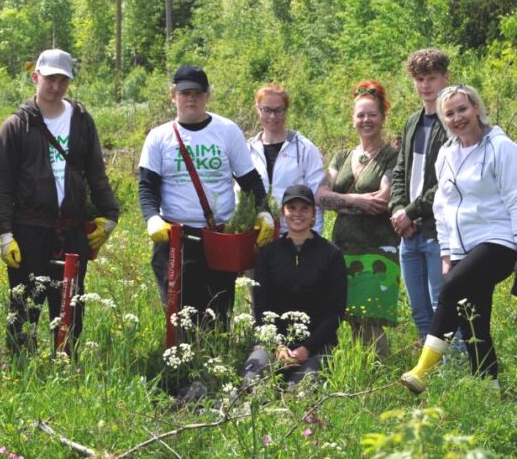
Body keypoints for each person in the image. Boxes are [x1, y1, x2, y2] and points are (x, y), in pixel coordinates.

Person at [0, 49, 119, 351]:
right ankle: (21, 371)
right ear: (35, 77)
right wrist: (5, 234)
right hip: (28, 228)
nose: (56, 86)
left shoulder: (82, 120)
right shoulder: (16, 126)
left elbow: (96, 173)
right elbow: (2, 185)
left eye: (63, 80)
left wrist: (111, 215)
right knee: (25, 307)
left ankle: (66, 368)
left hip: (73, 229)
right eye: (50, 78)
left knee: (70, 305)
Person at [401, 84, 517, 394]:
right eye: (449, 113)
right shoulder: (447, 154)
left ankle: (422, 369)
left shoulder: (501, 147)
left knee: (450, 290)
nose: (457, 118)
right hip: (462, 249)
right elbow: (443, 206)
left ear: (477, 108)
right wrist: (447, 253)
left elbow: (515, 199)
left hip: (499, 243)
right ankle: (490, 388)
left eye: (462, 109)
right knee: (472, 319)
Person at [139, 66, 272, 325]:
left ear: (208, 96)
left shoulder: (227, 130)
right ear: (172, 95)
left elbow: (250, 181)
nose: (191, 99)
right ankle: (181, 365)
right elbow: (147, 187)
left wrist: (264, 211)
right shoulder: (159, 137)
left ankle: (217, 359)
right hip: (175, 238)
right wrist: (152, 218)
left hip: (219, 238)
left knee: (218, 314)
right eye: (185, 92)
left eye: (198, 93)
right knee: (178, 318)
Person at [317, 80, 399, 357]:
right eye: (360, 114)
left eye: (372, 114)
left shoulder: (391, 156)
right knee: (351, 318)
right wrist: (357, 201)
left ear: (383, 116)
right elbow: (321, 196)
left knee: (372, 321)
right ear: (353, 119)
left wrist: (340, 203)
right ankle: (362, 377)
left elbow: (382, 200)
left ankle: (383, 378)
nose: (366, 120)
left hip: (377, 249)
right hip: (342, 247)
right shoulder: (342, 156)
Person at [241, 185, 346, 388]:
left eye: (304, 208)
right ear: (283, 213)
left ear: (314, 214)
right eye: (292, 208)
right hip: (274, 343)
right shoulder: (268, 254)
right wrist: (277, 345)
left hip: (316, 344)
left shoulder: (331, 255)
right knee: (251, 385)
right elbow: (261, 308)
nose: (297, 214)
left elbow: (336, 312)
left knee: (300, 393)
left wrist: (306, 348)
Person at [389, 49, 450, 342]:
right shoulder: (413, 121)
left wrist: (410, 212)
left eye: (432, 78)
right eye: (419, 79)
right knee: (420, 311)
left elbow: (447, 182)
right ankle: (430, 371)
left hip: (437, 230)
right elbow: (400, 171)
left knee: (443, 306)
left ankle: (454, 371)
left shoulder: (452, 122)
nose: (425, 86)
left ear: (445, 79)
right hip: (408, 232)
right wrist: (399, 208)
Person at [247, 83, 324, 233]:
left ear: (286, 111)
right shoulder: (247, 150)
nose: (272, 116)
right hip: (256, 235)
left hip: (295, 234)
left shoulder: (304, 148)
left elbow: (316, 199)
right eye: (267, 110)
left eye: (278, 110)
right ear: (257, 109)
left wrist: (313, 239)